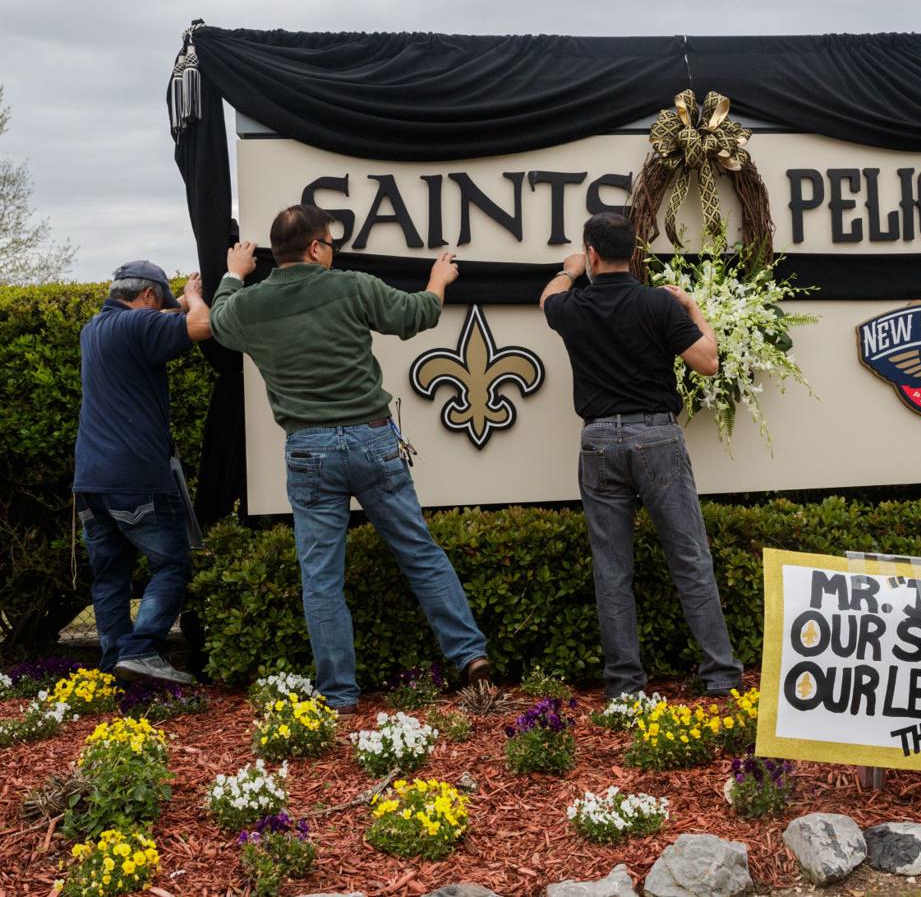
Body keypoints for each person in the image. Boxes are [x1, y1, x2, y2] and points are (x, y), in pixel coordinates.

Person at [210, 204, 491, 712]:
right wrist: (437, 277)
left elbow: (220, 324)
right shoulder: (351, 286)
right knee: (419, 552)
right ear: (316, 247)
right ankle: (468, 653)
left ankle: (339, 694)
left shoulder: (251, 304)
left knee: (321, 576)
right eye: (331, 244)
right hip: (372, 438)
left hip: (308, 449)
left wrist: (232, 273)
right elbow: (417, 315)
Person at [540, 211, 743, 698]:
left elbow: (547, 298)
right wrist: (693, 309)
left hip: (599, 443)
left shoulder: (574, 306)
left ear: (591, 254)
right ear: (634, 254)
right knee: (690, 559)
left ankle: (625, 686)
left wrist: (568, 270)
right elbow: (709, 363)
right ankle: (720, 675)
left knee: (612, 570)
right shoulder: (658, 305)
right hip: (656, 437)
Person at [74, 260, 211, 684]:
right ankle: (140, 649)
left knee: (111, 575)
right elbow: (201, 326)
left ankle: (115, 663)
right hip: (134, 477)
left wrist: (176, 306)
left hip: (90, 480)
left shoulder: (95, 328)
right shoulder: (138, 328)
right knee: (172, 565)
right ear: (148, 296)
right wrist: (193, 299)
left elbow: (160, 321)